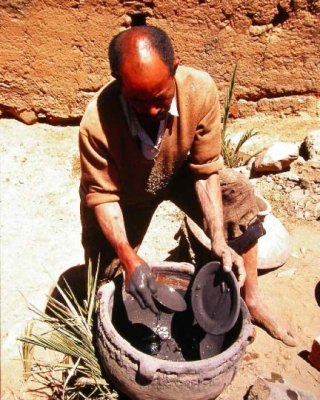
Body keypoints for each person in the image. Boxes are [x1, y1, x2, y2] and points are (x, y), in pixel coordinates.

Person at [79, 25, 296, 346]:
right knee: (108, 266)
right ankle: (108, 327)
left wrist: (218, 238)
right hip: (126, 189)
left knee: (236, 194)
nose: (153, 110)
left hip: (182, 172)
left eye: (161, 98)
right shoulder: (96, 123)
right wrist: (127, 256)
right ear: (118, 82)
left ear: (175, 68)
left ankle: (252, 300)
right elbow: (103, 197)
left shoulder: (199, 90)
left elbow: (206, 170)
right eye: (139, 101)